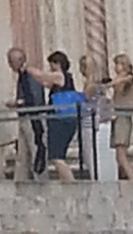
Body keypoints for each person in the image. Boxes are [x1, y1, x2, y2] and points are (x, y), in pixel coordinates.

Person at [6, 45, 51, 182]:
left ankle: (41, 182)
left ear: (18, 60)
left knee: (36, 151)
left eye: (11, 61)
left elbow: (35, 98)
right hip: (25, 118)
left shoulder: (30, 75)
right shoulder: (23, 75)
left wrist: (18, 103)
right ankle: (21, 183)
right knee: (22, 155)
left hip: (33, 119)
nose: (9, 65)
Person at [45, 50, 83, 182]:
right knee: (58, 154)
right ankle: (65, 181)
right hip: (66, 119)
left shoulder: (60, 76)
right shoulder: (67, 78)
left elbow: (43, 77)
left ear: (58, 64)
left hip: (60, 120)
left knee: (56, 156)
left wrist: (28, 69)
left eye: (51, 65)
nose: (50, 68)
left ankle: (71, 182)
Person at [105, 50, 133, 179]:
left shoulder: (128, 78)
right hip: (116, 116)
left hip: (123, 117)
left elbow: (128, 80)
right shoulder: (118, 79)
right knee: (119, 154)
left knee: (121, 153)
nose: (116, 67)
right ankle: (124, 179)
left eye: (118, 64)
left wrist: (111, 84)